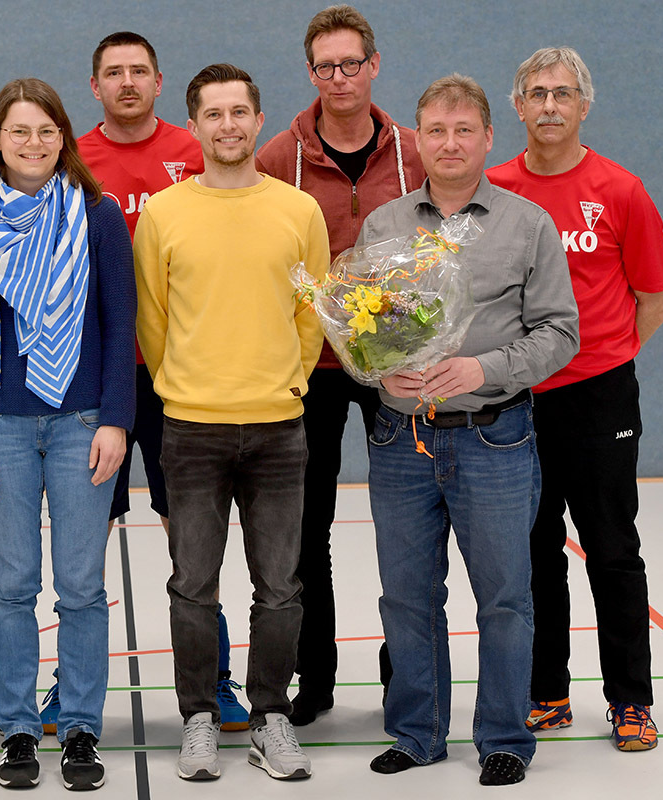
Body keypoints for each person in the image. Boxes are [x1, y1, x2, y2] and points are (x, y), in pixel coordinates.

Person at [359, 74, 579, 786]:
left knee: (506, 593)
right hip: (401, 439)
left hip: (495, 436)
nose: (448, 144)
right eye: (435, 131)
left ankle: (505, 736)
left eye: (463, 131)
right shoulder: (384, 226)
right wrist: (377, 373)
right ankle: (418, 732)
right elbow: (357, 336)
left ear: (488, 138)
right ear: (416, 139)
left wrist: (482, 368)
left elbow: (560, 333)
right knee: (406, 594)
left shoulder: (527, 223)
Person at [0, 77, 136, 791]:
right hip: (1, 428)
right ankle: (19, 730)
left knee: (82, 587)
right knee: (13, 584)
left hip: (84, 423)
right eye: (19, 132)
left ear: (63, 138)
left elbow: (121, 325)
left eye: (46, 131)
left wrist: (116, 419)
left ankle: (80, 728)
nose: (33, 144)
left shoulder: (97, 215)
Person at [135, 63, 329, 782]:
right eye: (212, 114)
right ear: (194, 125)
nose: (227, 126)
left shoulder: (298, 210)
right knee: (194, 582)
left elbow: (313, 311)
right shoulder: (164, 213)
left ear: (257, 119)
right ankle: (198, 719)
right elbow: (152, 319)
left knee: (280, 584)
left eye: (239, 113)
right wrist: (182, 385)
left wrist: (289, 378)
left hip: (279, 428)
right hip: (190, 429)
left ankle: (271, 715)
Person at [488, 46, 663, 752]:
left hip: (599, 398)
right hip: (517, 397)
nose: (549, 106)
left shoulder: (621, 191)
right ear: (517, 106)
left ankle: (631, 700)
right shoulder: (497, 190)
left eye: (563, 94)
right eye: (536, 93)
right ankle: (547, 692)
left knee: (612, 549)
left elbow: (655, 299)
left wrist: (600, 361)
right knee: (532, 552)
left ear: (583, 105)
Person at [74, 30, 249, 734]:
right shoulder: (73, 158)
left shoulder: (195, 152)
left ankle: (218, 682)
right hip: (93, 379)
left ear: (158, 80)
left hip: (180, 379)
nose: (126, 83)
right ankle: (72, 687)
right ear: (95, 86)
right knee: (83, 542)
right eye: (112, 73)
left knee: (193, 540)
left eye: (138, 72)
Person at [256, 3, 425, 724]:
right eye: (326, 65)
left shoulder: (416, 152)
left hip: (396, 370)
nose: (340, 76)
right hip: (313, 373)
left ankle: (406, 677)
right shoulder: (275, 158)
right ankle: (314, 678)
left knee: (406, 524)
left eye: (351, 62)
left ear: (374, 65)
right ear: (310, 72)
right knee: (306, 529)